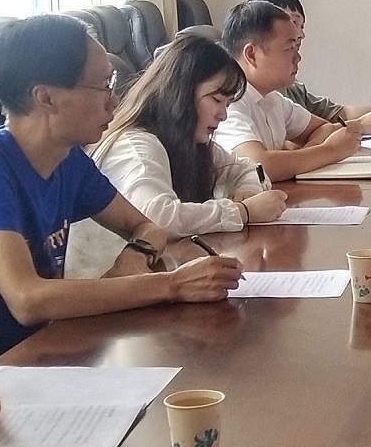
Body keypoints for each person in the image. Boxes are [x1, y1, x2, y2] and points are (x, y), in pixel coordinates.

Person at [0, 14, 243, 364]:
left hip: (37, 354)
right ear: (46, 98)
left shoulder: (67, 159)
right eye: (103, 86)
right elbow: (27, 300)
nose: (113, 102)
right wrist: (173, 284)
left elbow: (147, 227)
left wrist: (133, 257)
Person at [66, 32, 289, 278]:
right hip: (105, 288)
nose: (223, 115)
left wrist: (247, 190)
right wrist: (241, 211)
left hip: (151, 279)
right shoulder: (136, 146)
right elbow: (156, 217)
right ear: (179, 93)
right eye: (216, 100)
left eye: (227, 104)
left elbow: (247, 168)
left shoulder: (186, 142)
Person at [215, 0, 364, 180]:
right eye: (289, 48)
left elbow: (324, 128)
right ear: (251, 55)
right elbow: (257, 166)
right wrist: (330, 150)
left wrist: (300, 158)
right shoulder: (228, 103)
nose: (298, 57)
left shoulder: (272, 99)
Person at [248, 0, 371, 135]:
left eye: (301, 26)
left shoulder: (290, 89)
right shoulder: (249, 97)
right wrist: (359, 126)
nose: (300, 34)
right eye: (293, 22)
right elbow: (290, 147)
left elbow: (338, 114)